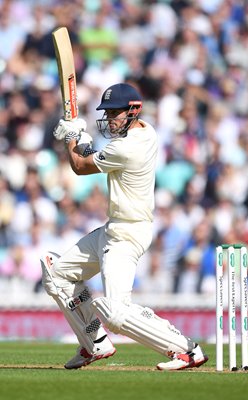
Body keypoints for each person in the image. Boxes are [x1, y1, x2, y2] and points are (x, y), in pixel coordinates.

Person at [40, 82, 208, 371]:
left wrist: (71, 138)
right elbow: (96, 154)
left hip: (127, 234)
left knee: (115, 312)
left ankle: (187, 350)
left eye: (115, 113)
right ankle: (94, 343)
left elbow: (80, 166)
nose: (109, 118)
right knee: (57, 274)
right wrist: (80, 136)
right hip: (113, 228)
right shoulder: (146, 131)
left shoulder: (129, 147)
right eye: (107, 112)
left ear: (133, 110)